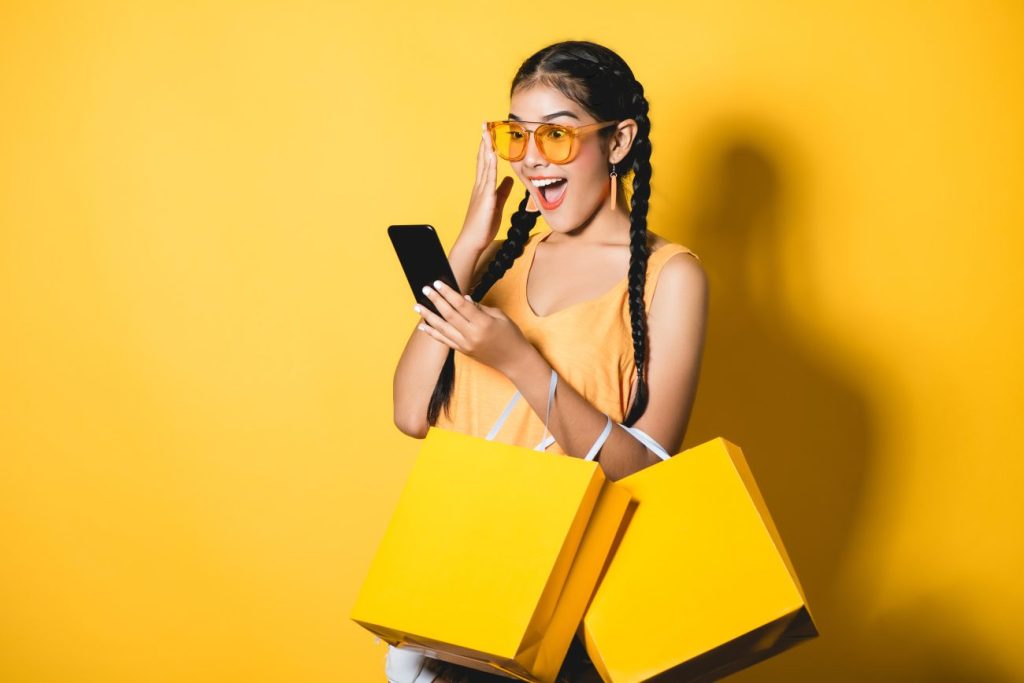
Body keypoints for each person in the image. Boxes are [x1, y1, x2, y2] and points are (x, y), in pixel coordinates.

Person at [388, 39, 708, 682]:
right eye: (517, 135)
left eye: (556, 136)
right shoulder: (502, 264)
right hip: (453, 598)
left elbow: (647, 468)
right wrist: (470, 241)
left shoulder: (671, 278)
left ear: (618, 142)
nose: (532, 159)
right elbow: (409, 411)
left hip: (571, 624)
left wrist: (518, 360)